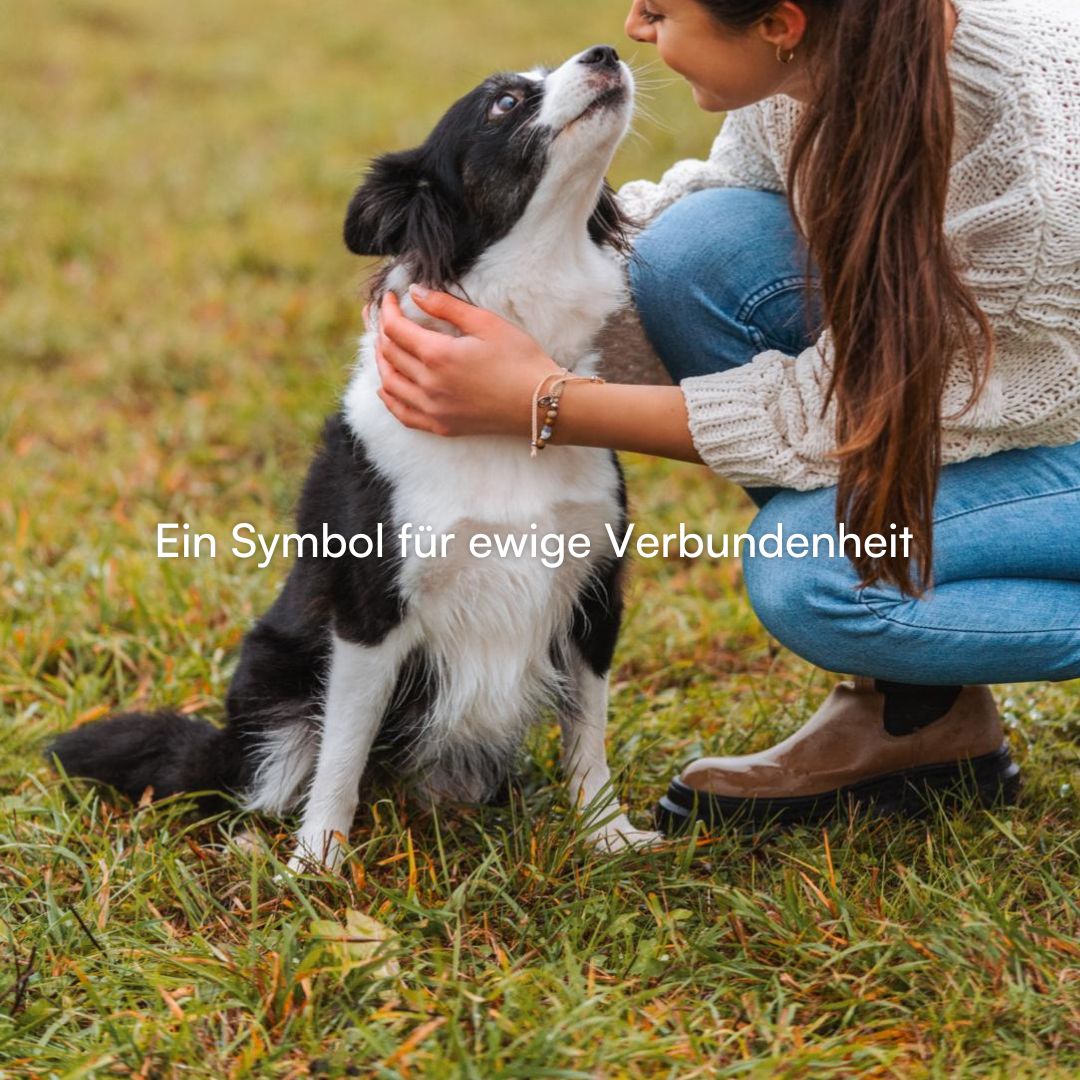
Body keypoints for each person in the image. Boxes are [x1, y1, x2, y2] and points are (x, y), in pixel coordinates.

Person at [371, 0, 1080, 829]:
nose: (636, 28)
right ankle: (922, 716)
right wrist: (469, 303)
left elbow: (859, 416)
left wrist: (545, 400)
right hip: (994, 402)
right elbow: (719, 225)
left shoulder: (1033, 165)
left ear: (780, 23)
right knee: (695, 249)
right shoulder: (834, 53)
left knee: (821, 573)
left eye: (661, 9)